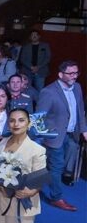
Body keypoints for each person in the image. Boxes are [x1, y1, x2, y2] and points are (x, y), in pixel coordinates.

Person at [37, 61, 87, 211]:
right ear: (60, 74)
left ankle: (46, 180)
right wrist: (45, 136)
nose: (74, 76)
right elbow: (38, 117)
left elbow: (80, 111)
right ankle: (56, 198)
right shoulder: (48, 92)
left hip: (71, 134)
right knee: (57, 166)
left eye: (76, 73)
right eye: (70, 73)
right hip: (54, 137)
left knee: (60, 166)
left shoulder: (77, 87)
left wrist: (84, 130)